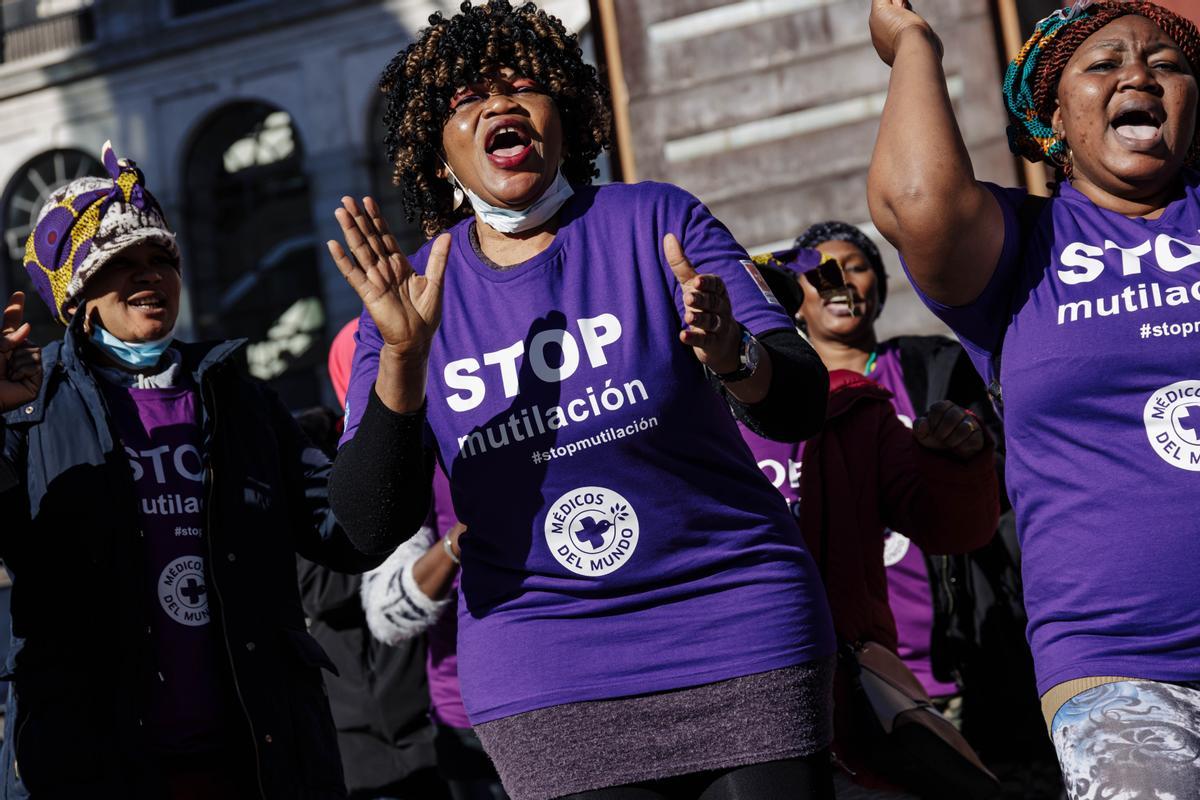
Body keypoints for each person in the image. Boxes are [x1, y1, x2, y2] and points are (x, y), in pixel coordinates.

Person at [328, 2, 839, 798]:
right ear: (436, 157)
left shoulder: (656, 221)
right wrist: (403, 357)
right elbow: (367, 522)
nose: (500, 102)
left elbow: (801, 403)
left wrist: (732, 352)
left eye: (524, 85)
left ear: (564, 115)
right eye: (468, 99)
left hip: (735, 625)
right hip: (547, 666)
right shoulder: (411, 298)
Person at [868, 0, 1200, 795]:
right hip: (1123, 668)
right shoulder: (1023, 246)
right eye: (1104, 63)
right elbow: (916, 203)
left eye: (1167, 62)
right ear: (1053, 117)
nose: (1139, 74)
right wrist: (914, 43)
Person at [0, 141, 395, 799]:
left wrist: (400, 376)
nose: (148, 275)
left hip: (260, 766)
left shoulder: (239, 396)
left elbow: (351, 532)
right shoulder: (29, 410)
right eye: (119, 264)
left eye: (162, 258)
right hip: (95, 769)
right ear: (77, 297)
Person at [789, 222, 1060, 796]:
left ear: (879, 288)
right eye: (820, 272)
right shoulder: (774, 403)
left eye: (856, 266)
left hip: (953, 658)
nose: (839, 282)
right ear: (796, 301)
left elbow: (1000, 487)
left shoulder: (934, 367)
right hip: (842, 673)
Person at [743, 251, 1000, 798]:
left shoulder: (854, 411)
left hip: (852, 707)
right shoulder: (669, 424)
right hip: (724, 702)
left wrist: (956, 460)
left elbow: (952, 530)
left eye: (766, 317)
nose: (744, 336)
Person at [328, 320, 507, 800]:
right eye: (381, 364)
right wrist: (456, 543)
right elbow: (387, 613)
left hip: (590, 682)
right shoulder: (401, 467)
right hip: (471, 714)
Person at [294, 403, 449, 800]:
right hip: (360, 723)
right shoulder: (298, 490)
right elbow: (318, 590)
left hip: (423, 701)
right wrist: (378, 540)